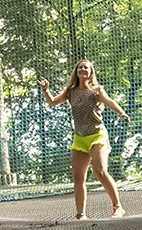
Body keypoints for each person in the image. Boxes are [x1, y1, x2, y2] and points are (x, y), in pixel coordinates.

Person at [39, 60, 130, 218]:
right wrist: (46, 90)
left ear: (90, 72)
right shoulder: (70, 91)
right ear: (76, 71)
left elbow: (109, 102)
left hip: (97, 135)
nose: (83, 70)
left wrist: (121, 112)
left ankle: (118, 207)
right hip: (80, 138)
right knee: (78, 176)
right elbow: (52, 102)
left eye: (86, 68)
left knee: (100, 171)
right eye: (80, 67)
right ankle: (80, 214)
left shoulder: (97, 90)